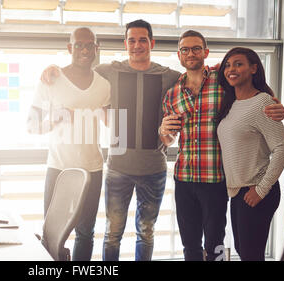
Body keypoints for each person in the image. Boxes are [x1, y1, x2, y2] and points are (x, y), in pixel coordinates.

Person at [41, 19, 181, 261]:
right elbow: (79, 68)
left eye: (142, 40)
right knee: (111, 234)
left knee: (146, 234)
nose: (137, 45)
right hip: (118, 169)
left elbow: (195, 77)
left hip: (154, 169)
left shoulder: (169, 76)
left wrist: (217, 68)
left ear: (152, 43)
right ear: (125, 43)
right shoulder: (109, 71)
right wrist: (53, 68)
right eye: (132, 40)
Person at [160, 31, 284, 261]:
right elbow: (169, 139)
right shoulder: (172, 94)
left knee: (215, 244)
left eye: (196, 48)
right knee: (190, 244)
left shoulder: (223, 81)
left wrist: (277, 105)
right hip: (184, 179)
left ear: (205, 52)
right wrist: (163, 132)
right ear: (179, 55)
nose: (191, 53)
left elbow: (255, 95)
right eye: (185, 49)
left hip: (216, 180)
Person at [27, 27, 111, 261]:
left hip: (92, 169)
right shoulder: (51, 80)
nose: (84, 50)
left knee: (85, 233)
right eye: (79, 45)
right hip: (59, 168)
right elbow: (31, 126)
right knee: (52, 235)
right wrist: (55, 117)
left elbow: (111, 123)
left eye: (89, 45)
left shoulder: (104, 85)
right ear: (69, 48)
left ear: (96, 48)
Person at [216, 47, 284, 261]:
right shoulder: (232, 103)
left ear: (254, 68)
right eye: (228, 65)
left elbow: (282, 148)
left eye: (239, 64)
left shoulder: (263, 102)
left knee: (251, 255)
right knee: (244, 251)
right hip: (238, 192)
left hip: (256, 189)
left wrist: (261, 190)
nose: (232, 69)